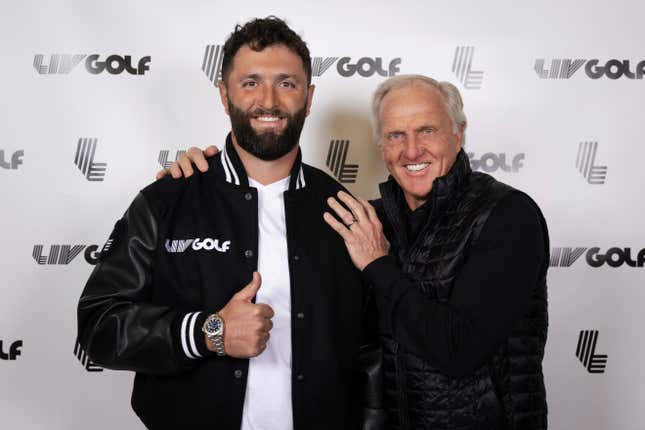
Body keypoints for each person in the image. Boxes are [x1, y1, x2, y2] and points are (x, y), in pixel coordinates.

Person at [170, 75, 549, 429]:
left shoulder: (506, 215)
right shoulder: (367, 218)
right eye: (396, 135)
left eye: (427, 131)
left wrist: (377, 264)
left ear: (458, 133)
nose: (411, 150)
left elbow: (458, 349)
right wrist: (197, 183)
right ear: (381, 145)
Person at [77, 17, 379, 430]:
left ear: (309, 98)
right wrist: (208, 332)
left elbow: (375, 351)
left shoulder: (346, 212)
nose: (269, 101)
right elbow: (99, 326)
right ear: (224, 94)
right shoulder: (168, 199)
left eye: (286, 84)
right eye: (251, 82)